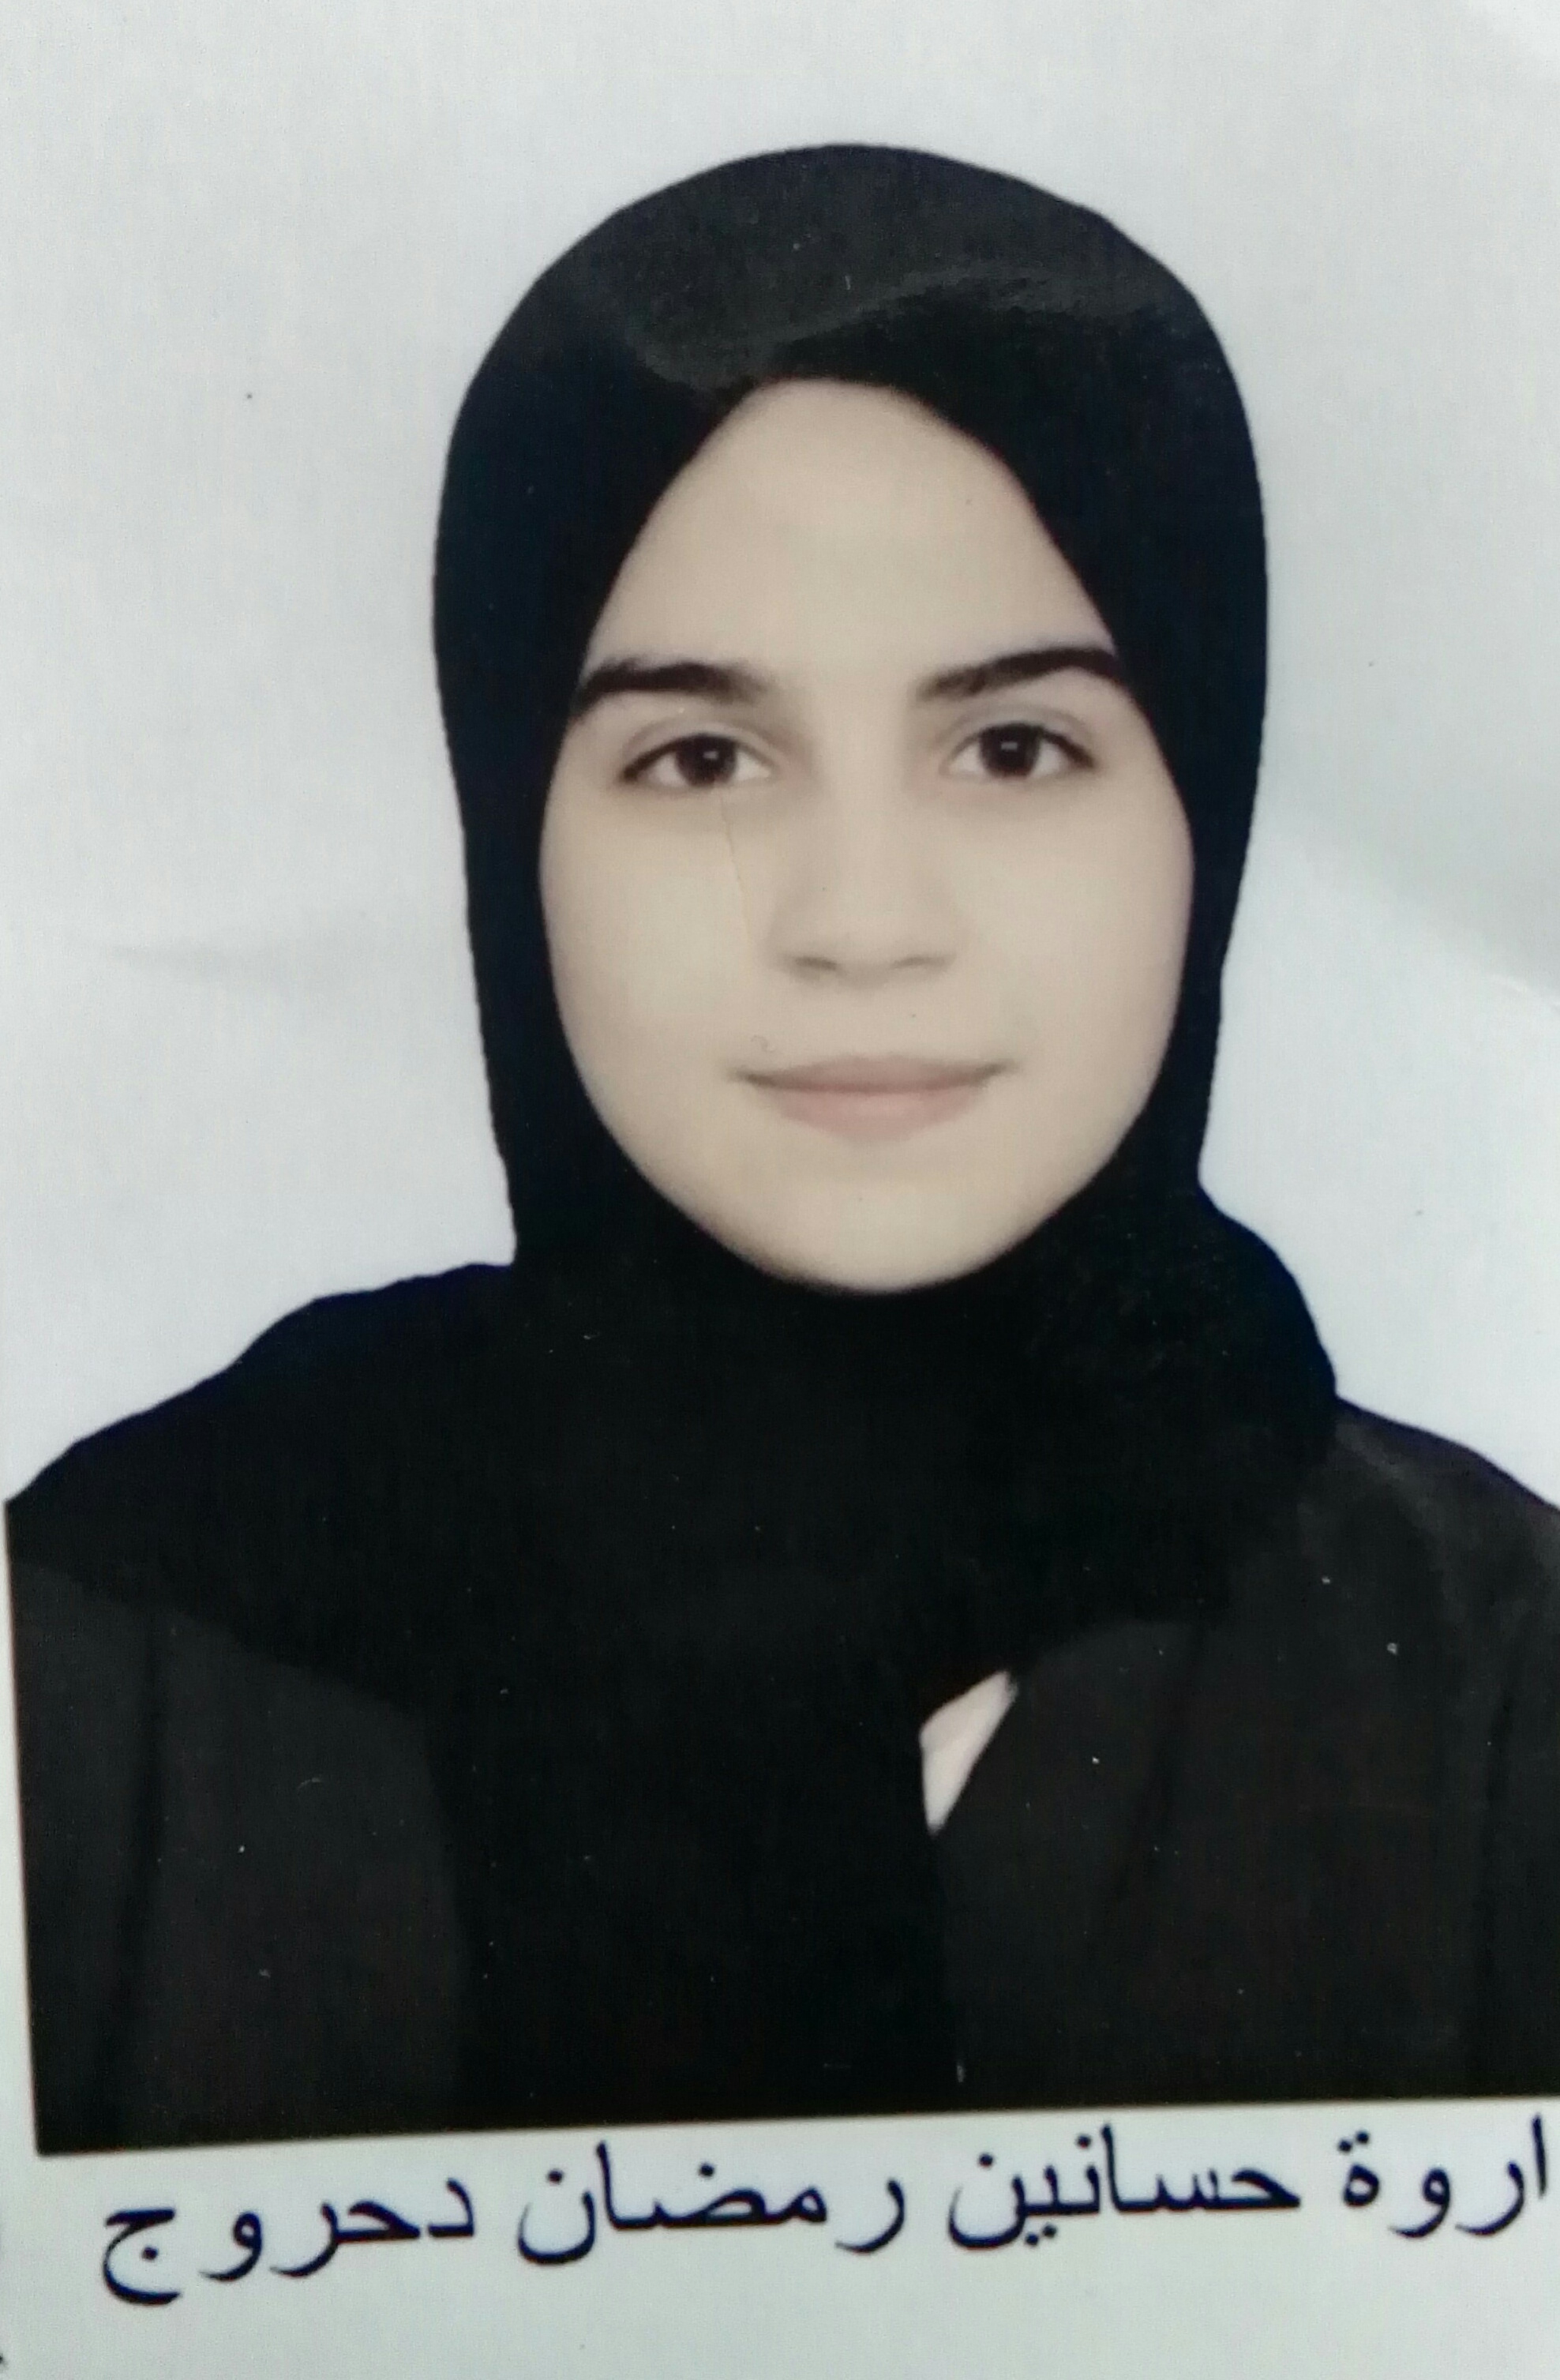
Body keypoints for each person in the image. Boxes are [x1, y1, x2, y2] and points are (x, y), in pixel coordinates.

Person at [9, 144, 1560, 2156]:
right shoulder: (101, 1657)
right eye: (701, 756)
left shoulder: (1501, 1681)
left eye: (1013, 746)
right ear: (514, 827)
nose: (857, 921)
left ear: (1209, 801)